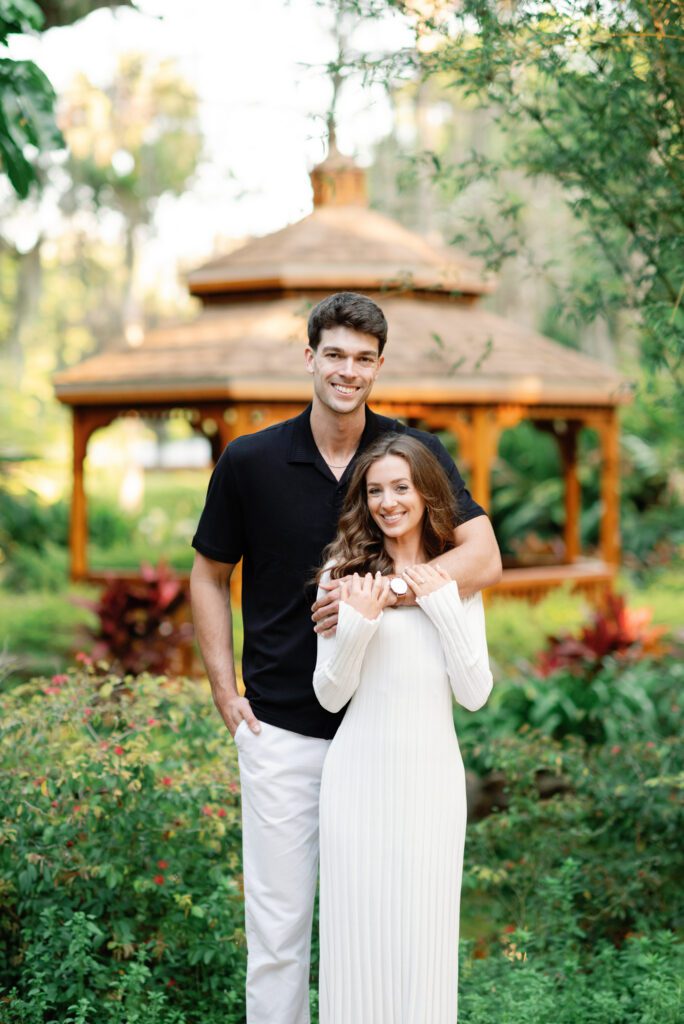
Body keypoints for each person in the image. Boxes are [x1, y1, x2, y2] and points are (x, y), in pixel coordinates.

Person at [190, 291, 501, 1024]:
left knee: (389, 934)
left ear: (379, 367)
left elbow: (482, 554)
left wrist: (381, 594)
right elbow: (208, 575)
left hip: (388, 746)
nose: (347, 371)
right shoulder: (251, 460)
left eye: (364, 359)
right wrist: (224, 691)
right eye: (334, 354)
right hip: (285, 731)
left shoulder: (407, 457)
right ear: (310, 357)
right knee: (279, 934)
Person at [313, 432, 493, 1024]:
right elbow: (330, 694)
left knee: (424, 939)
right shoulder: (344, 575)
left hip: (432, 784)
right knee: (355, 940)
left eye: (401, 487)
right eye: (375, 491)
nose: (388, 502)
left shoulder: (454, 578)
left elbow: (475, 693)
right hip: (356, 782)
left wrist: (440, 602)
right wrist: (359, 622)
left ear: (425, 492)